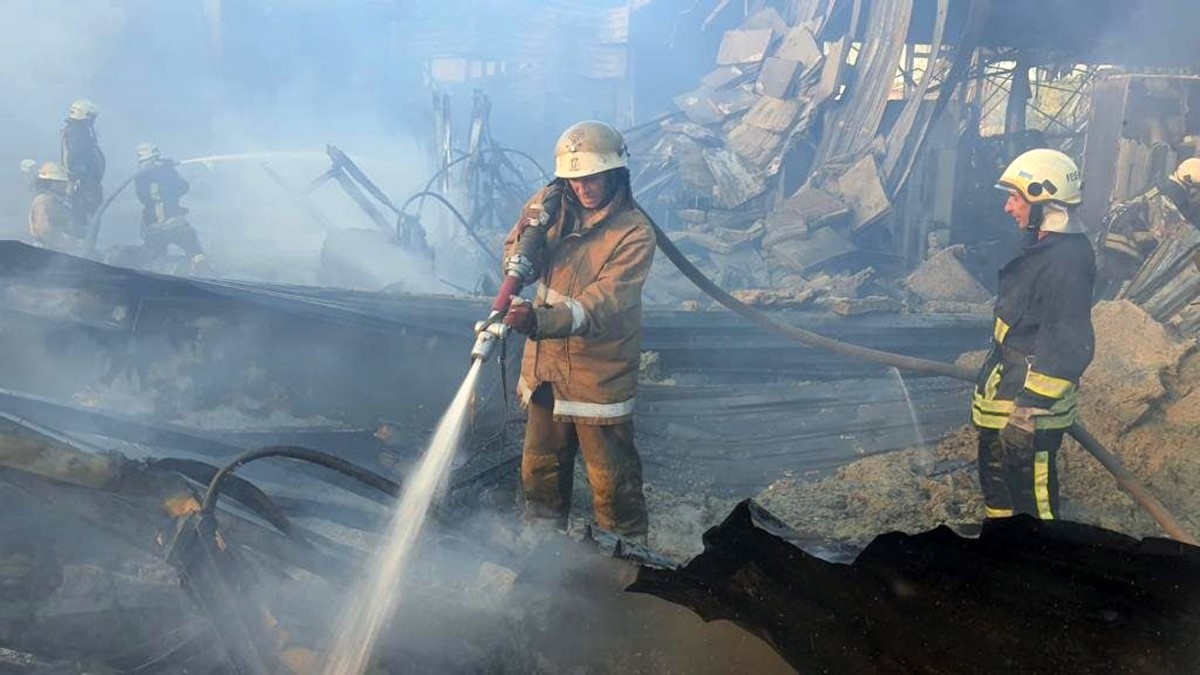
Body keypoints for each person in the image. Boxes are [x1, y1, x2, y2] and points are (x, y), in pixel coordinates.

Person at [501, 120, 656, 542]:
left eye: (592, 178)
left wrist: (538, 320)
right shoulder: (549, 208)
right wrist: (524, 250)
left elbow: (602, 303)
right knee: (540, 476)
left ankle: (628, 572)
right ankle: (546, 564)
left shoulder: (634, 233)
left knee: (612, 487)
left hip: (597, 374)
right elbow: (513, 255)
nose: (583, 188)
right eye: (574, 179)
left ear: (615, 175)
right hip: (546, 370)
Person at [971, 148, 1096, 520]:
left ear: (1044, 198)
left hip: (1027, 410)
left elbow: (1069, 343)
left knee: (1033, 505)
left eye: (1016, 197)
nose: (1009, 208)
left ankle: (1039, 569)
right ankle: (1004, 560)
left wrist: (1028, 413)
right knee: (1000, 495)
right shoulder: (1043, 247)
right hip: (1006, 395)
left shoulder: (1066, 260)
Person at [1096, 158, 1200, 299]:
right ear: (1192, 187)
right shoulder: (1174, 201)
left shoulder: (1155, 188)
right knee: (1111, 308)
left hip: (1104, 254)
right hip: (1124, 265)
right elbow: (1182, 244)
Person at [132, 142, 206, 265]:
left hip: (152, 226)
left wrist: (166, 168)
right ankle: (200, 267)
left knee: (156, 256)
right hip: (173, 223)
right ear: (155, 157)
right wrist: (169, 169)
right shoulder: (164, 173)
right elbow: (183, 187)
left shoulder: (139, 176)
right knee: (193, 245)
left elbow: (146, 196)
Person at [61, 99, 106, 228]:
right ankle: (84, 246)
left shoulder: (79, 131)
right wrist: (80, 179)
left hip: (86, 184)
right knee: (85, 222)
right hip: (84, 187)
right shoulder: (77, 134)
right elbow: (77, 159)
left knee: (87, 221)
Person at [28, 162, 86, 254]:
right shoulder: (43, 201)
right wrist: (75, 243)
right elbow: (45, 231)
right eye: (59, 183)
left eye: (63, 182)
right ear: (48, 183)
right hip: (47, 253)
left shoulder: (56, 201)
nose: (63, 185)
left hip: (58, 252)